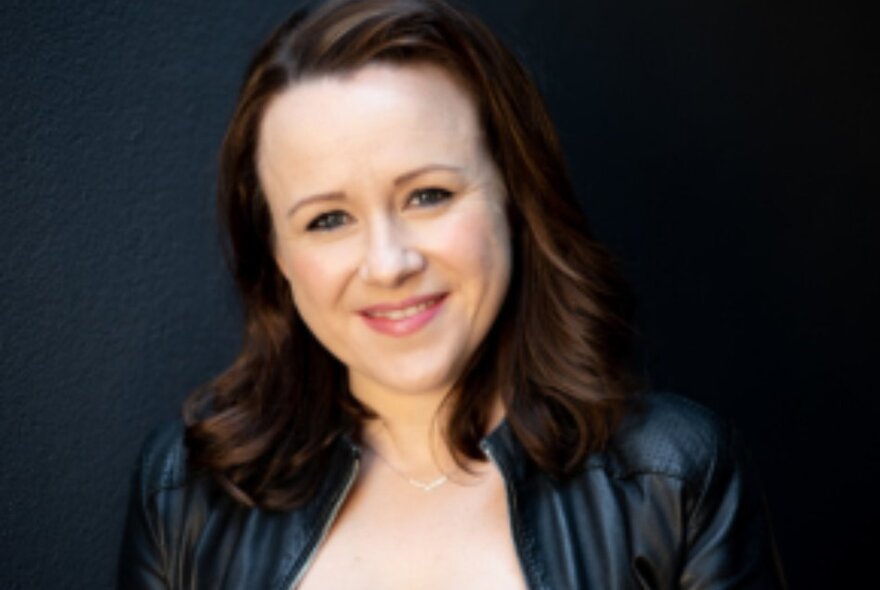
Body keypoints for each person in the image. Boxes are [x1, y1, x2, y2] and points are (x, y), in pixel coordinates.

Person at [118, 0, 786, 587]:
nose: (389, 263)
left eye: (428, 195)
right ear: (278, 257)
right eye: (327, 219)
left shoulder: (673, 479)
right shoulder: (185, 490)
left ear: (516, 199)